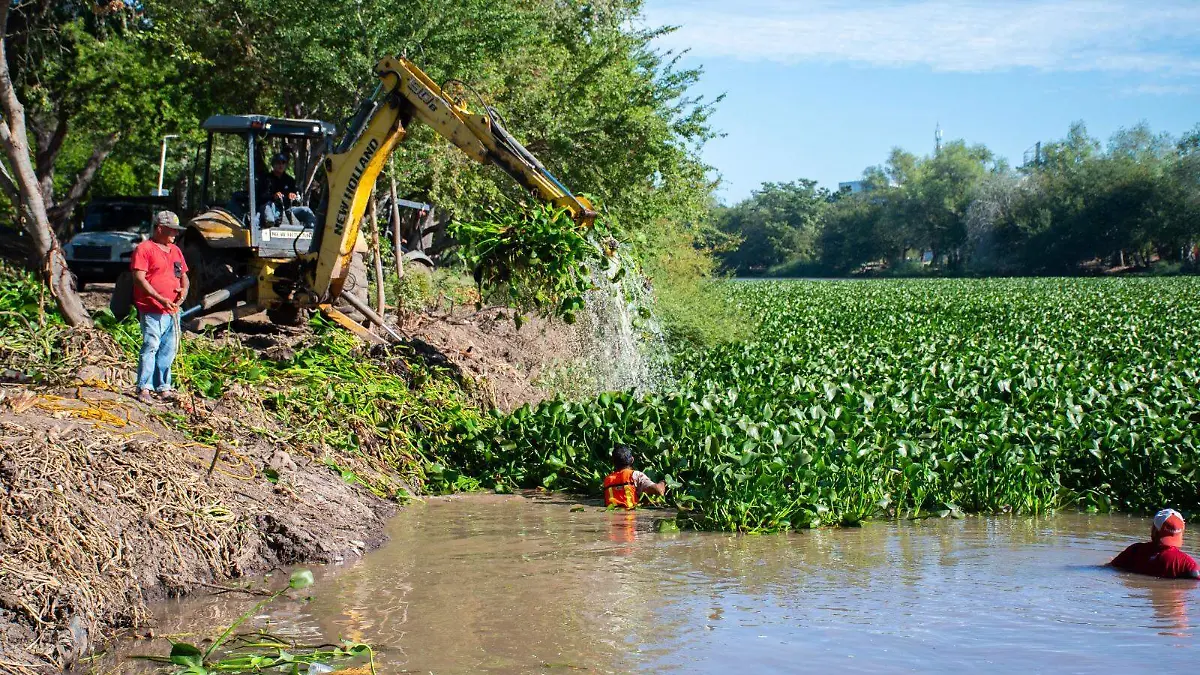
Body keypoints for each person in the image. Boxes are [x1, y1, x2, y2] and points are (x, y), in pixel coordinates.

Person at [130, 211, 189, 404]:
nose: (175, 234)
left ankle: (163, 387)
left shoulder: (175, 251)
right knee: (151, 345)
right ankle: (144, 387)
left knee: (168, 349)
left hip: (172, 310)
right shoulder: (145, 249)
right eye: (172, 230)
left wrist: (184, 290)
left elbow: (183, 275)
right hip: (152, 308)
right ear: (160, 228)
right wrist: (159, 298)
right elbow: (139, 278)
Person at [1109, 508, 1200, 579]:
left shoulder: (1134, 551)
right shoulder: (1187, 564)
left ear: (1154, 530)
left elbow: (1109, 568)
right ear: (1182, 532)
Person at [602, 445, 666, 510]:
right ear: (632, 460)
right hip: (631, 518)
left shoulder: (607, 480)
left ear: (613, 463)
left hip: (612, 516)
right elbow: (659, 491)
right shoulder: (635, 475)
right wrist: (663, 482)